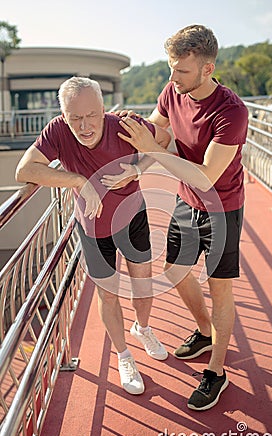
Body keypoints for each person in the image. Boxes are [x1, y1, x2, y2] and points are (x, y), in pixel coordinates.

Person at [113, 24, 249, 410]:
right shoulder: (174, 90)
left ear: (207, 69)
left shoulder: (231, 111)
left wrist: (152, 154)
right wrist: (134, 146)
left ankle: (217, 372)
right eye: (171, 68)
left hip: (223, 207)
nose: (173, 78)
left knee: (219, 288)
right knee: (174, 270)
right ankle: (205, 332)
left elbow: (206, 176)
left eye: (182, 70)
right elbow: (156, 129)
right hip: (187, 201)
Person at [15, 76, 171, 395]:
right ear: (63, 116)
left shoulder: (125, 124)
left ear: (103, 109)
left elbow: (165, 139)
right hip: (93, 228)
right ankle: (124, 356)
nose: (85, 126)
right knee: (108, 294)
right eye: (75, 118)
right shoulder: (57, 131)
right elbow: (24, 171)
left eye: (91, 116)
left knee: (142, 284)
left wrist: (138, 167)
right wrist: (78, 181)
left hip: (133, 216)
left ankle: (143, 328)